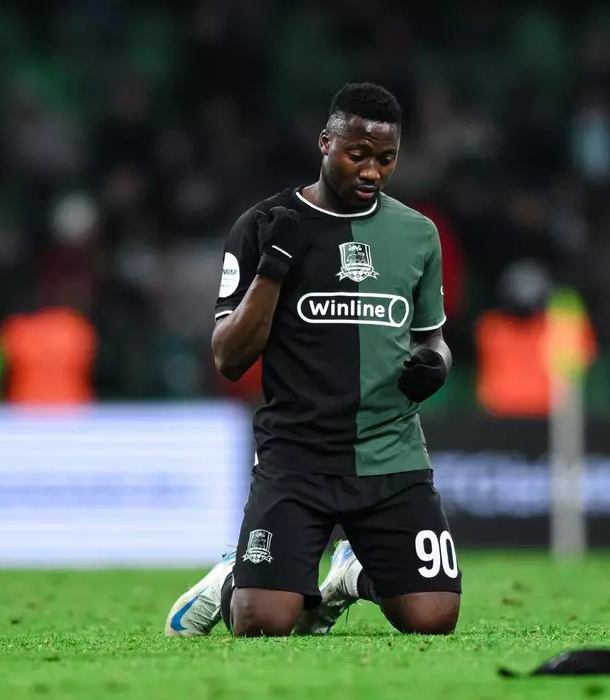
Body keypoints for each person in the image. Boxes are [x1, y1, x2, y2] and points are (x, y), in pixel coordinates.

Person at [165, 82, 460, 638]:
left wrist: (435, 364)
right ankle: (233, 578)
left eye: (386, 158)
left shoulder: (418, 234)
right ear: (326, 142)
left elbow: (432, 339)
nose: (372, 171)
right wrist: (274, 268)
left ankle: (350, 575)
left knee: (434, 617)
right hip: (296, 459)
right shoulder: (262, 225)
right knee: (262, 623)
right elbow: (229, 357)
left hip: (391, 455)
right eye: (358, 154)